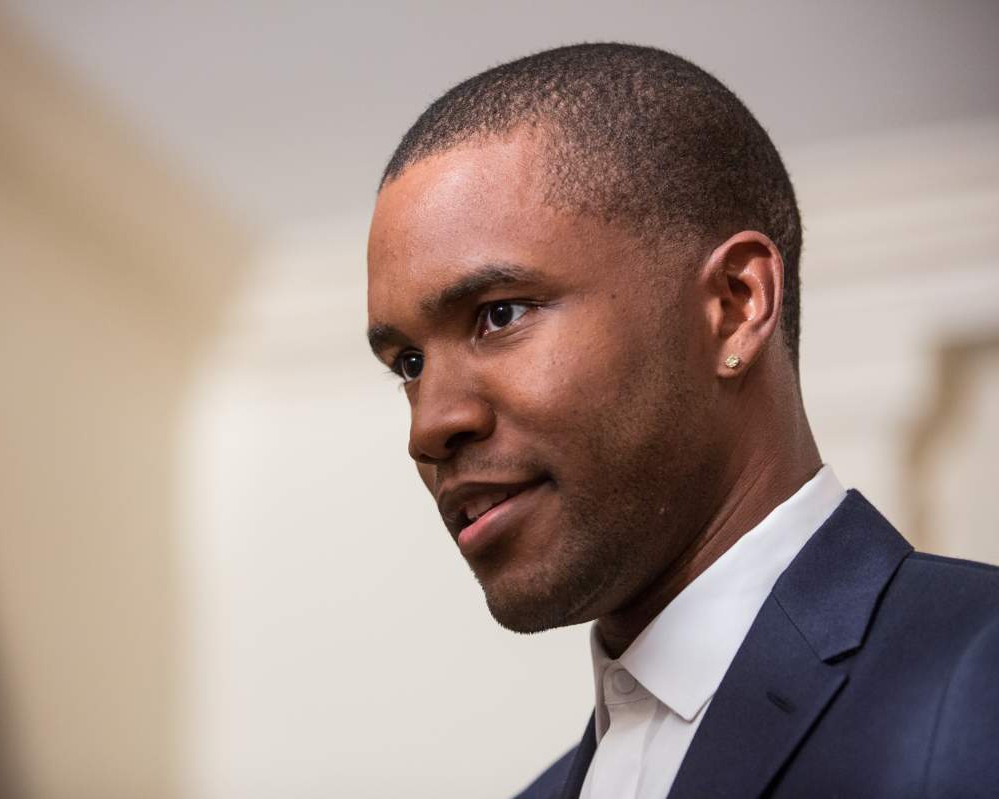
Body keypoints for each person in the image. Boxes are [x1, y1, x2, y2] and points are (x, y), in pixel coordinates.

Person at [364, 43, 999, 798]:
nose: (429, 426)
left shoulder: (979, 675)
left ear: (733, 305)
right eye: (408, 364)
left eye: (499, 314)